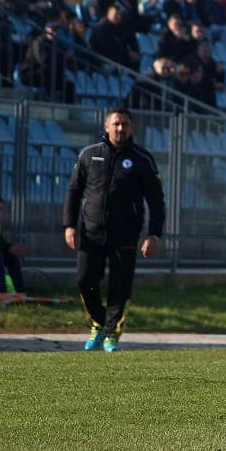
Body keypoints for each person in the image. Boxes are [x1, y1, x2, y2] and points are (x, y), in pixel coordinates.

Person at [63, 108, 165, 353]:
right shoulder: (89, 155)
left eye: (125, 124)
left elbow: (156, 200)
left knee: (120, 286)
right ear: (107, 126)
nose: (121, 129)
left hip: (126, 234)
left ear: (131, 128)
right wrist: (69, 225)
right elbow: (74, 192)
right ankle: (99, 322)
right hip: (91, 231)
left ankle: (112, 334)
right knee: (84, 281)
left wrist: (154, 234)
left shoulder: (142, 159)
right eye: (117, 124)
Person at [0, 195, 26, 294]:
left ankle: (21, 292)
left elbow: (1, 242)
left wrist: (11, 248)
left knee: (11, 257)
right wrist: (6, 249)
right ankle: (1, 293)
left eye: (0, 209)